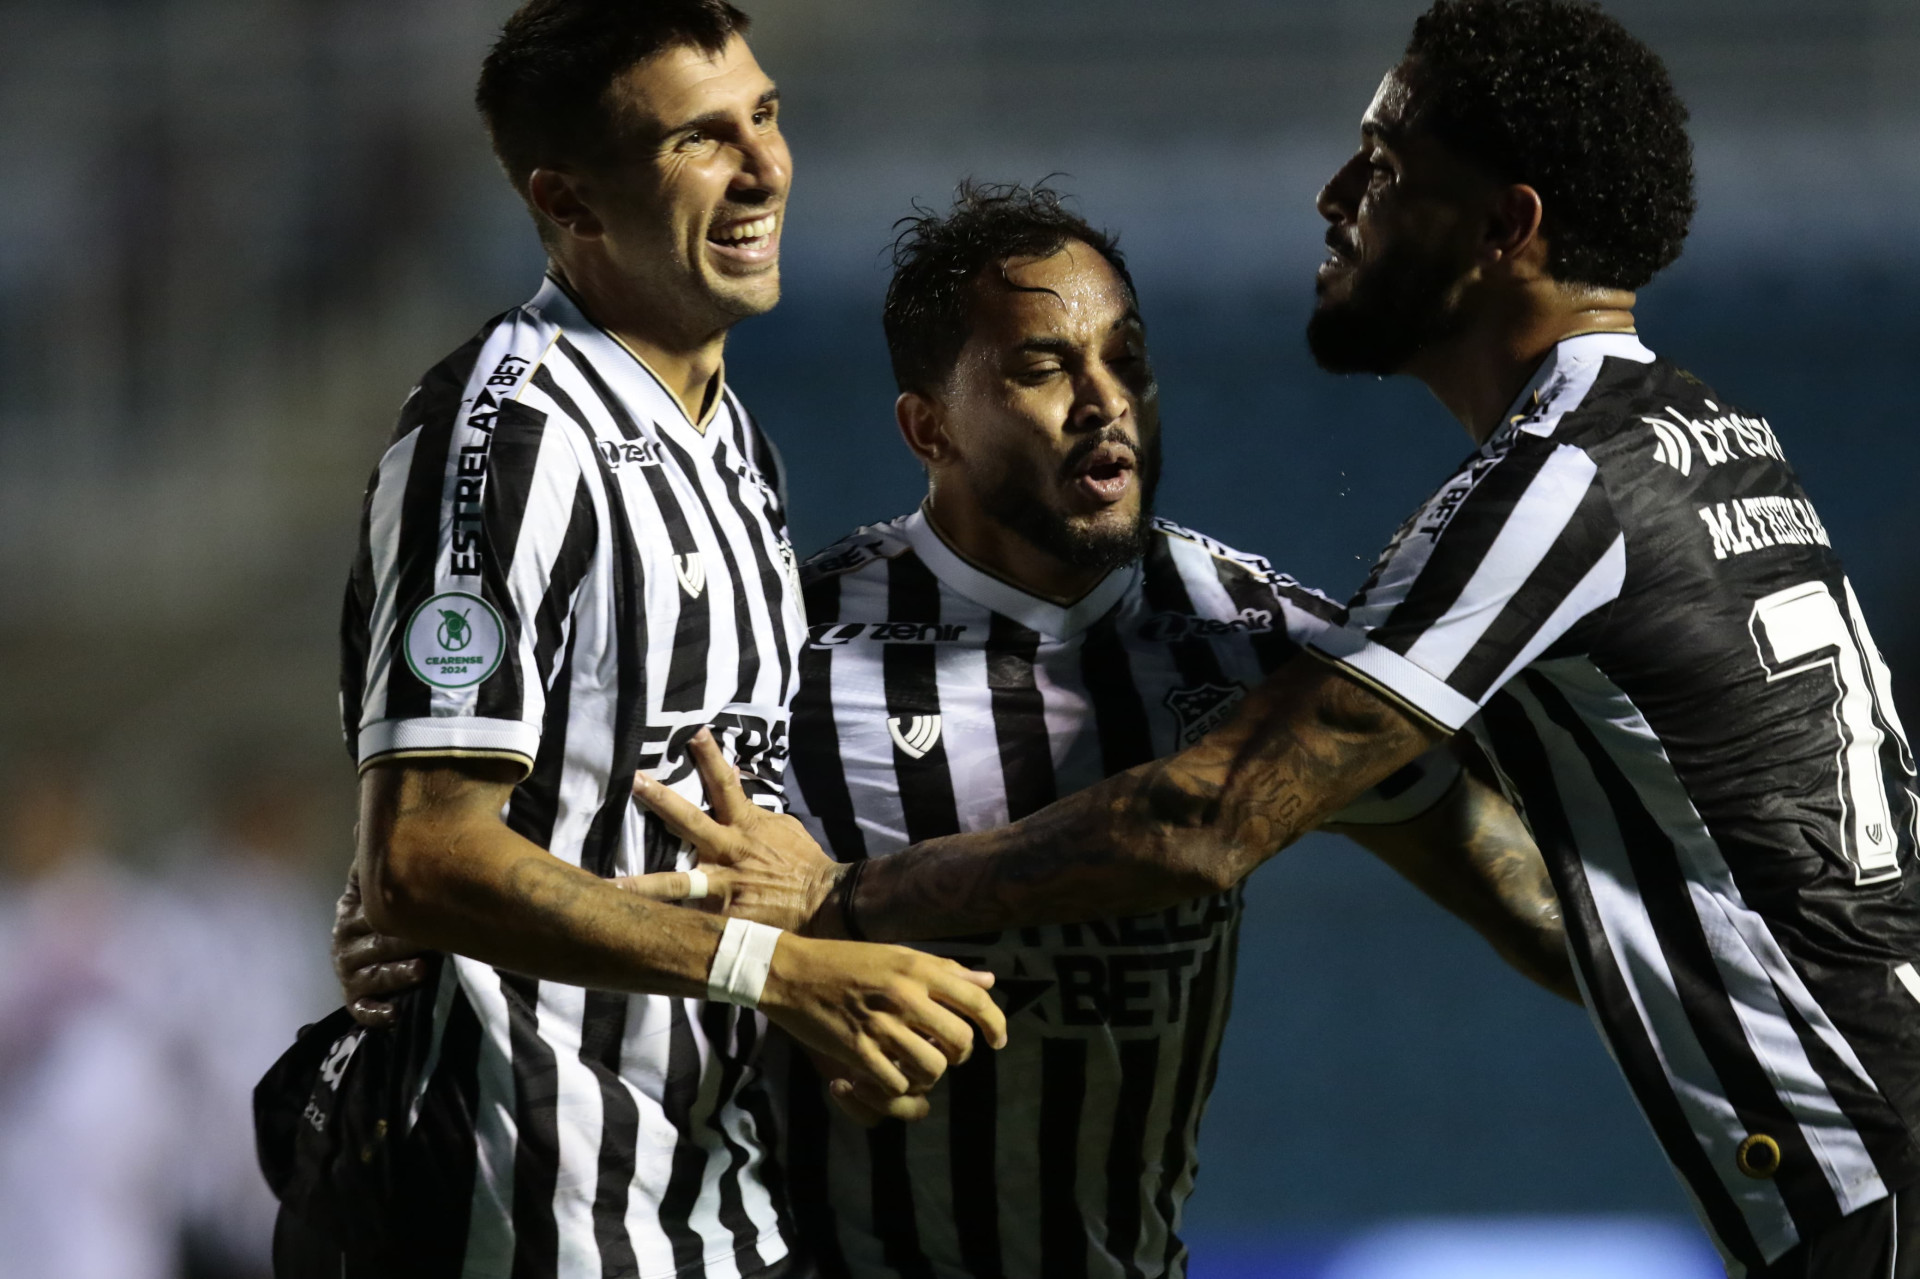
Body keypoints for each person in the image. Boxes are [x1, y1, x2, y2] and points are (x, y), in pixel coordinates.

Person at [639, 3, 1920, 1277]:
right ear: (930, 426)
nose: (1335, 195)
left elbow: (1218, 820)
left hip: (1866, 1168)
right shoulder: (1705, 437)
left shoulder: (1504, 512)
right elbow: (1574, 901)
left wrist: (848, 899)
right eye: (1042, 367)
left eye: (1385, 168)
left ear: (1502, 228)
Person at [341, 181, 1571, 1279]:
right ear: (928, 428)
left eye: (1126, 358)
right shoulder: (791, 650)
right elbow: (552, 881)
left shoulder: (1252, 647)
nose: (1106, 403)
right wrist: (400, 951)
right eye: (1043, 368)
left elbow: (1524, 895)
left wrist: (1716, 975)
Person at [270, 3, 1005, 1276]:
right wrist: (775, 975)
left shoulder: (734, 445)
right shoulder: (510, 435)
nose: (764, 165)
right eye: (697, 141)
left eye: (765, 115)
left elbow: (676, 822)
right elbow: (425, 859)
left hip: (709, 1203)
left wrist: (812, 981)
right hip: (516, 1218)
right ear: (571, 200)